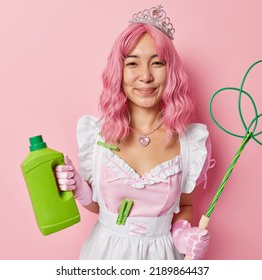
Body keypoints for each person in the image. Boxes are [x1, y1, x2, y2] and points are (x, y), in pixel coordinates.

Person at [55, 5, 213, 260]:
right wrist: (80, 190)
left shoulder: (190, 142)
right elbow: (100, 207)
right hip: (103, 256)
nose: (145, 76)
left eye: (157, 63)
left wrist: (183, 234)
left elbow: (185, 205)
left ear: (170, 70)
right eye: (132, 63)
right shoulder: (96, 135)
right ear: (119, 71)